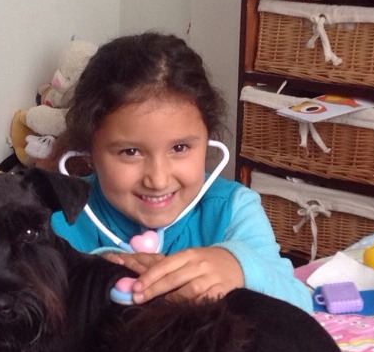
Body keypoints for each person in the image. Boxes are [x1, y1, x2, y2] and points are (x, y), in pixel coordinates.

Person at [51, 31, 313, 312]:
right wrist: (95, 276)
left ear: (207, 140)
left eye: (179, 148)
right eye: (130, 152)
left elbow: (300, 305)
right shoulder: (56, 219)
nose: (158, 179)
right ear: (90, 152)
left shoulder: (234, 209)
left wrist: (239, 266)